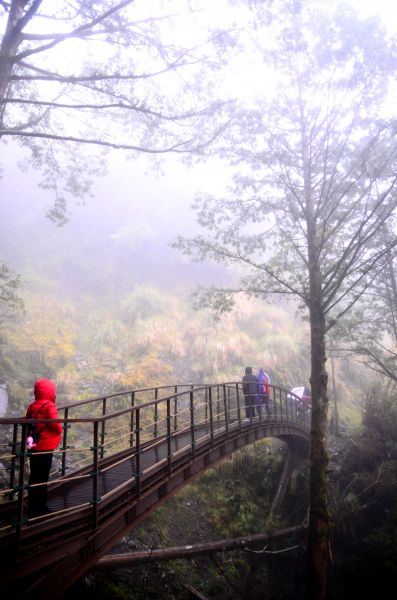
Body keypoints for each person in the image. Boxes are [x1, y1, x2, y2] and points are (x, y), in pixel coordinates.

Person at [25, 379, 62, 517]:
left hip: (32, 445)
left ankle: (32, 504)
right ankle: (40, 508)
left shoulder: (32, 406)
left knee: (34, 475)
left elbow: (27, 422)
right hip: (45, 447)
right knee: (42, 477)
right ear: (50, 392)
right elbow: (57, 427)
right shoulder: (49, 406)